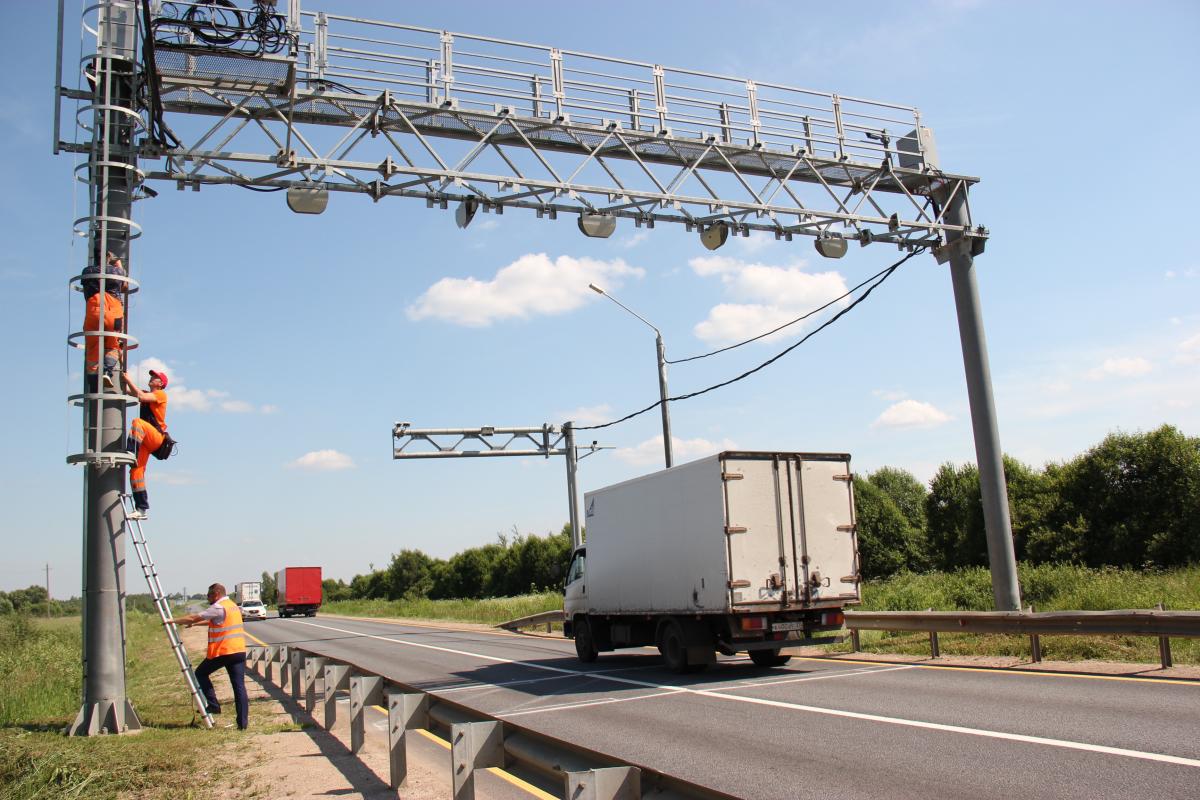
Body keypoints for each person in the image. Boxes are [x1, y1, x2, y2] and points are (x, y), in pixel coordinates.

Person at [165, 583, 249, 730]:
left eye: (209, 595)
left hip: (224, 651)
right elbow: (213, 620)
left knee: (200, 673)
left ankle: (214, 705)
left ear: (216, 593)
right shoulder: (232, 606)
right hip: (239, 651)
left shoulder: (218, 606)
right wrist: (196, 626)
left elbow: (193, 617)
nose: (208, 597)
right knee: (239, 687)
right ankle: (242, 724)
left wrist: (172, 621)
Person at [121, 368, 169, 520]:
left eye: (155, 377)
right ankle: (141, 509)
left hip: (155, 437)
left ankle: (131, 450)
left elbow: (140, 396)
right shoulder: (147, 393)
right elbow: (131, 391)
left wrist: (128, 379)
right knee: (136, 472)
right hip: (146, 440)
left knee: (138, 422)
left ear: (160, 383)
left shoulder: (160, 394)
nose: (152, 378)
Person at [82, 252, 126, 390]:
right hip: (114, 312)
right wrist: (117, 261)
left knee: (92, 346)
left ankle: (93, 383)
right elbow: (124, 285)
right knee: (114, 345)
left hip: (94, 311)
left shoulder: (87, 271)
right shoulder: (116, 271)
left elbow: (85, 291)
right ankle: (107, 371)